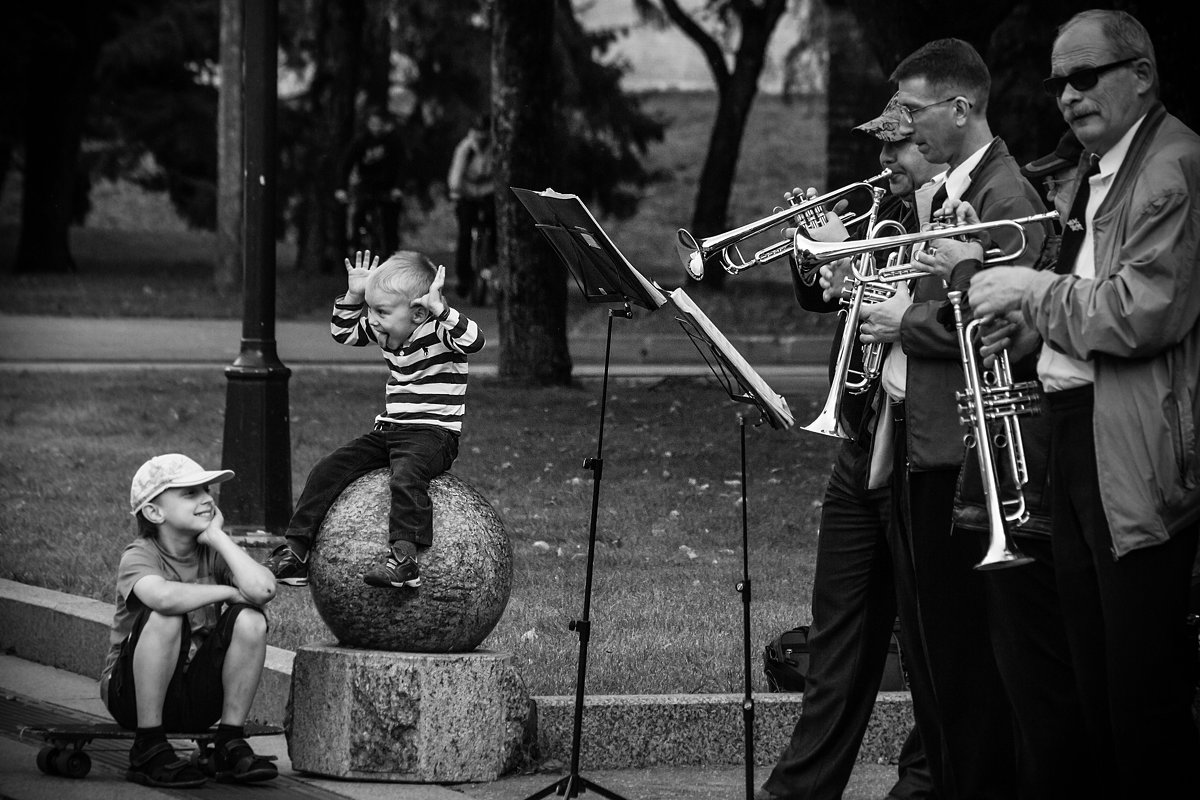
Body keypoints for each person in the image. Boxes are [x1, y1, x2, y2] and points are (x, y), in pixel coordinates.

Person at [968, 10, 1200, 797]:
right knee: (1091, 677)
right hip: (1076, 435)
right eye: (1059, 81)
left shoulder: (1171, 166)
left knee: (1140, 695)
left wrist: (1036, 291)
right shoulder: (1098, 169)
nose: (1068, 95)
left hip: (1133, 453)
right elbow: (1084, 310)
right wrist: (1027, 325)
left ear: (1141, 73)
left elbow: (1140, 311)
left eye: (1086, 76)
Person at [855, 37, 1052, 800]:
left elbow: (1008, 321)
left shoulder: (1007, 196)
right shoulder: (945, 190)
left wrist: (906, 320)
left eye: (911, 110)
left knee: (963, 665)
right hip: (923, 438)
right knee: (933, 659)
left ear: (961, 107)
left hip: (962, 449)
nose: (899, 126)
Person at [755, 100, 945, 800]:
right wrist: (822, 257)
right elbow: (824, 298)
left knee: (928, 641)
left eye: (900, 147)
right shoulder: (883, 210)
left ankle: (925, 782)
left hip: (921, 444)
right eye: (882, 147)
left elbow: (920, 308)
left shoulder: (946, 214)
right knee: (839, 636)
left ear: (938, 141)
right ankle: (799, 792)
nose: (885, 161)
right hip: (861, 436)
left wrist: (858, 261)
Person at [930, 129, 1100, 799]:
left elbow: (1044, 345)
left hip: (1040, 481)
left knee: (1049, 694)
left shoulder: (1070, 246)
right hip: (1021, 475)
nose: (1053, 198)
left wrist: (968, 272)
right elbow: (1024, 335)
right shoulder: (1063, 245)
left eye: (1061, 184)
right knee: (1031, 689)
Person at [265, 250, 484, 589]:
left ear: (418, 312)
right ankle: (297, 552)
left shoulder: (439, 330)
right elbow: (344, 333)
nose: (374, 320)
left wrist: (443, 311)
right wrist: (354, 295)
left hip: (434, 436)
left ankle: (404, 559)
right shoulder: (386, 329)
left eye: (381, 311)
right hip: (389, 430)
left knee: (406, 476)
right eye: (371, 310)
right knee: (329, 468)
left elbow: (475, 341)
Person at [102, 453, 278, 788]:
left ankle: (228, 742)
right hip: (130, 696)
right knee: (167, 616)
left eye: (206, 491)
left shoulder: (212, 552)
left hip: (194, 696)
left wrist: (217, 538)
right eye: (190, 494)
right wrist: (226, 593)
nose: (207, 499)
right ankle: (148, 747)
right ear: (154, 512)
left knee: (251, 619)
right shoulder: (139, 555)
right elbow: (164, 597)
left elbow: (264, 588)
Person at [338, 106, 409, 255]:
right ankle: (356, 247)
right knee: (358, 214)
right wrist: (341, 188)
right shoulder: (361, 141)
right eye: (373, 123)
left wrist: (398, 187)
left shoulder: (393, 141)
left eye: (379, 123)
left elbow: (402, 165)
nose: (376, 127)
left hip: (388, 188)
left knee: (390, 225)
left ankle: (390, 257)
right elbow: (346, 164)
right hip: (367, 186)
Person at [447, 113, 497, 299]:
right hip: (466, 194)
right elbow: (455, 177)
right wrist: (459, 193)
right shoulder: (465, 149)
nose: (481, 136)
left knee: (494, 226)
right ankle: (464, 277)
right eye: (478, 132)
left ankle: (491, 261)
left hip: (487, 193)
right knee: (464, 234)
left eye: (484, 132)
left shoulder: (496, 148)